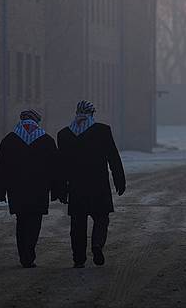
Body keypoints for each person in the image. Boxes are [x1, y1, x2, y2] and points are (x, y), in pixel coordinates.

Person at [57, 100, 126, 268]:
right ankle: (97, 244)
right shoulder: (102, 131)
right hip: (98, 185)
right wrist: (119, 180)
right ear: (92, 113)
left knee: (78, 224)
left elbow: (61, 165)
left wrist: (61, 188)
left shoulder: (64, 135)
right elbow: (113, 157)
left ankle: (79, 258)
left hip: (76, 187)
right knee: (101, 218)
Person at [0, 109, 60, 268]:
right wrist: (57, 189)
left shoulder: (9, 140)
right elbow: (56, 168)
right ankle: (29, 253)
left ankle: (24, 254)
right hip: (39, 189)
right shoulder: (46, 140)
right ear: (36, 122)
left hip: (17, 190)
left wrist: (0, 190)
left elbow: (1, 167)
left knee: (21, 221)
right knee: (35, 222)